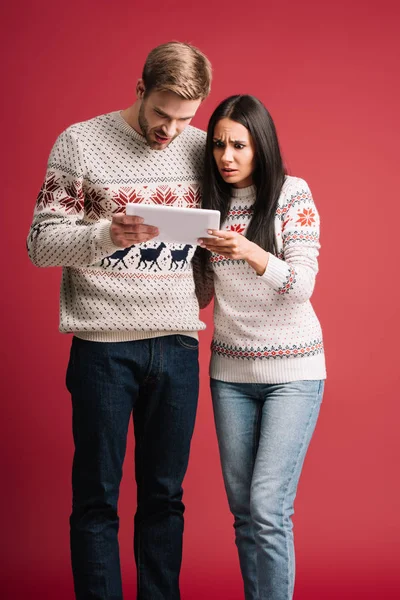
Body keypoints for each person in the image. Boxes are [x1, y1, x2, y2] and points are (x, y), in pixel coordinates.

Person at [27, 41, 212, 600]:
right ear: (139, 90)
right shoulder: (80, 143)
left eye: (185, 118)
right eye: (162, 113)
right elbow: (39, 244)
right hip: (103, 346)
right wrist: (108, 234)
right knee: (96, 497)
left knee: (165, 497)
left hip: (177, 346)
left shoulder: (204, 149)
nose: (171, 130)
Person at [196, 95, 327, 600]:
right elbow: (203, 295)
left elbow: (301, 285)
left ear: (261, 145)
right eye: (218, 145)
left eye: (238, 145)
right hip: (229, 373)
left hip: (294, 371)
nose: (226, 156)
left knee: (269, 506)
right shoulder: (208, 207)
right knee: (244, 511)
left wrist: (250, 250)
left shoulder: (293, 195)